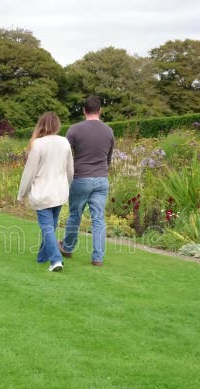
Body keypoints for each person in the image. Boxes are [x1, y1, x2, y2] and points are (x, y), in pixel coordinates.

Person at [60, 96, 114, 266]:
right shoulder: (109, 131)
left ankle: (68, 248)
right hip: (101, 179)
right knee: (98, 218)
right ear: (100, 111)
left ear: (84, 110)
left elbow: (66, 156)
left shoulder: (74, 130)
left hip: (81, 178)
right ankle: (98, 258)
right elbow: (109, 158)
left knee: (75, 214)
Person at [17, 112, 74, 272]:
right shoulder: (65, 142)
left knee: (48, 227)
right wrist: (68, 186)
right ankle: (42, 257)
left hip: (42, 193)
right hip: (59, 192)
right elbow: (70, 170)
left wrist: (21, 194)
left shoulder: (38, 144)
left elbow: (29, 173)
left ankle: (56, 260)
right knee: (51, 226)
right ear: (57, 125)